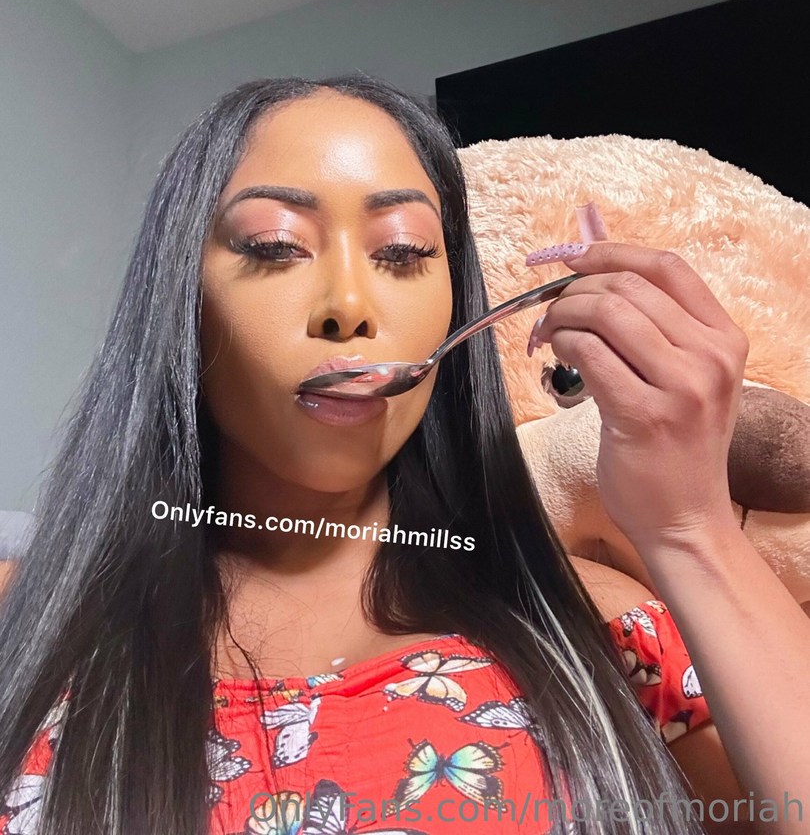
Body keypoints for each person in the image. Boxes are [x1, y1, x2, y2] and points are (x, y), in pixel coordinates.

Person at [0, 75, 807, 835]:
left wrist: (688, 526)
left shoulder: (600, 629)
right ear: (180, 300)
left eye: (403, 253)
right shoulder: (26, 625)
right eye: (276, 246)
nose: (350, 307)